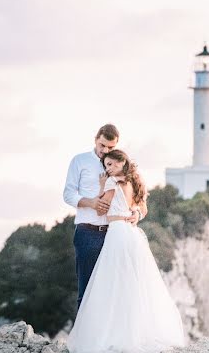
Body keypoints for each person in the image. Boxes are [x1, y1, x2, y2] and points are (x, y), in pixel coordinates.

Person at [67, 149, 185, 353]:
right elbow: (139, 206)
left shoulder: (112, 183)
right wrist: (137, 211)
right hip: (130, 233)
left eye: (111, 164)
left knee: (113, 283)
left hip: (117, 233)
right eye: (106, 165)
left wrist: (103, 186)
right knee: (132, 283)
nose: (108, 168)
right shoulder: (134, 182)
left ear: (122, 163)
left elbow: (101, 207)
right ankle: (133, 329)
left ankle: (114, 332)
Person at [63, 124, 142, 309]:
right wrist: (91, 203)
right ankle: (85, 337)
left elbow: (139, 196)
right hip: (88, 233)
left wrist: (137, 212)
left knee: (117, 290)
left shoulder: (123, 163)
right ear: (96, 139)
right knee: (87, 289)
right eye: (102, 145)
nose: (105, 151)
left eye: (110, 147)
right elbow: (68, 194)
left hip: (116, 234)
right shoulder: (79, 161)